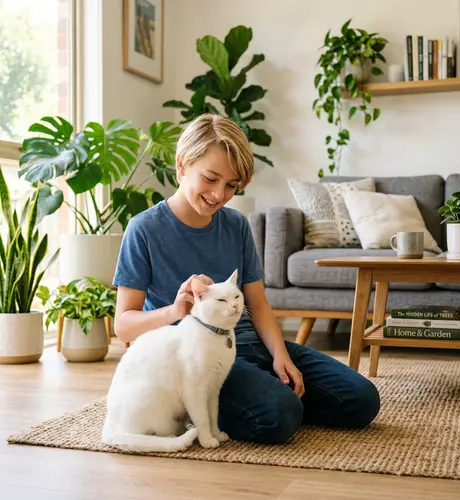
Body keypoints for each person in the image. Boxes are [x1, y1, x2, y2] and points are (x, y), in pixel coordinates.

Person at [112, 113, 380, 444]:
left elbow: (258, 303)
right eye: (210, 178)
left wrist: (281, 355)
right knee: (279, 416)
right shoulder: (144, 229)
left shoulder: (236, 224)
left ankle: (265, 397)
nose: (219, 194)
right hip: (200, 361)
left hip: (250, 345)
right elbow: (123, 325)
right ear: (181, 165)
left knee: (362, 399)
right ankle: (214, 408)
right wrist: (173, 312)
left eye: (231, 185)